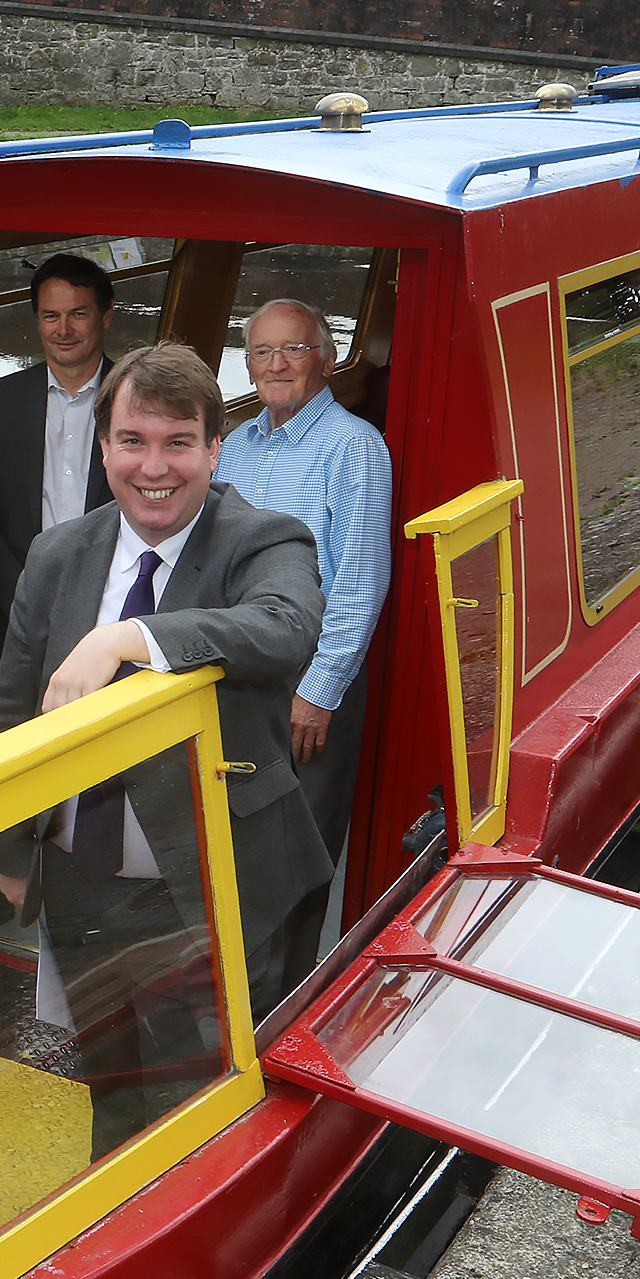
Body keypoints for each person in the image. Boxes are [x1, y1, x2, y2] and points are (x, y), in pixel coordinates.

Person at [0, 344, 328, 1153]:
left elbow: (286, 629)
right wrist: (12, 851)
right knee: (110, 1081)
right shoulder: (57, 552)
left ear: (216, 448)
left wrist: (130, 637)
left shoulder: (264, 538)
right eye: (133, 441)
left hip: (207, 888)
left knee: (199, 1099)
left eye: (179, 442)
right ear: (103, 445)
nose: (154, 467)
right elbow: (13, 705)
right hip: (80, 882)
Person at [213, 299, 393, 863]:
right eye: (261, 352)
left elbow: (360, 584)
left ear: (328, 358)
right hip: (236, 672)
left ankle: (299, 958)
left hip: (306, 680)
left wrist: (318, 693)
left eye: (294, 348)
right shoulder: (235, 448)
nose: (277, 364)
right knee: (232, 843)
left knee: (299, 854)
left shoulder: (356, 447)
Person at [0, 252, 117, 716]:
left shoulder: (138, 397)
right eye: (51, 315)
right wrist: (26, 602)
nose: (63, 329)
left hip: (115, 618)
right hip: (11, 623)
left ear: (106, 316)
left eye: (77, 314)